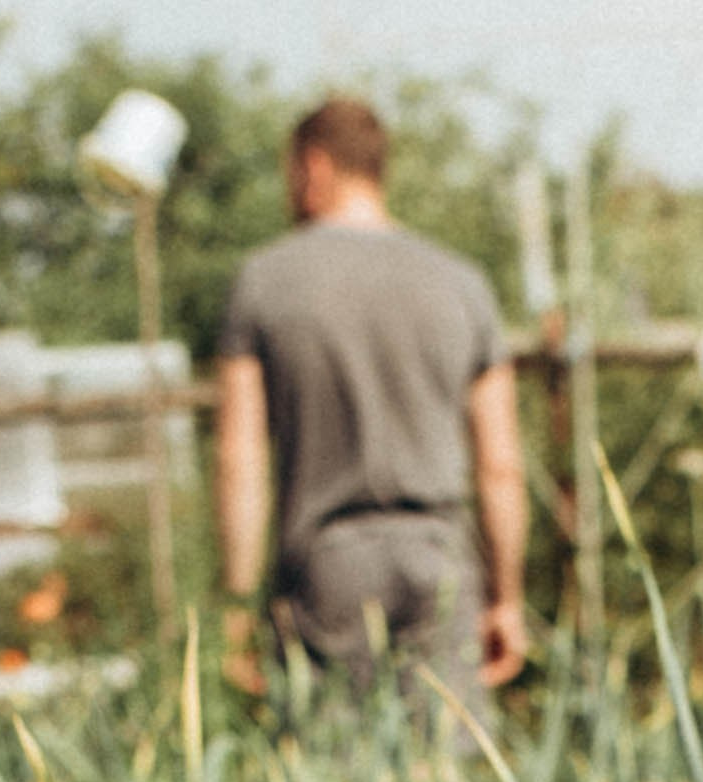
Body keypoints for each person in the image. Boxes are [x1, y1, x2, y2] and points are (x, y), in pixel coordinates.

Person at [214, 96, 527, 708]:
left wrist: (236, 603)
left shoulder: (262, 282)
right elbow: (500, 466)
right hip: (441, 560)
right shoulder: (463, 283)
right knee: (444, 778)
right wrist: (506, 598)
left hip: (326, 570)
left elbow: (239, 460)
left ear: (315, 167)